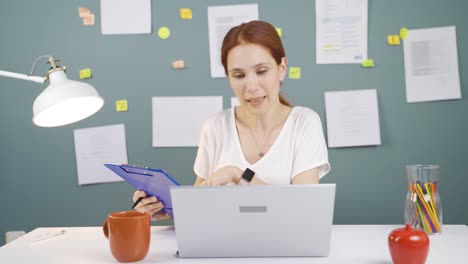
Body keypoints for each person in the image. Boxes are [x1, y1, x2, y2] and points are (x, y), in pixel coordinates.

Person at [133, 20, 330, 220]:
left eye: (261, 71)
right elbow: (197, 205)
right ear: (228, 77)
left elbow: (306, 210)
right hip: (221, 248)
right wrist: (165, 209)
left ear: (281, 68)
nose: (251, 86)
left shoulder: (304, 123)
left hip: (286, 249)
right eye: (239, 75)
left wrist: (239, 175)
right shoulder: (215, 127)